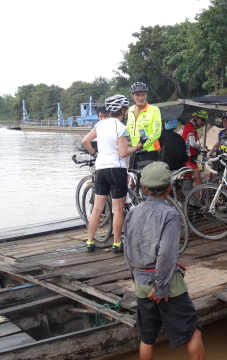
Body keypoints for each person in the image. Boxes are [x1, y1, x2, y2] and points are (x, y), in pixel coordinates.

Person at [123, 162, 205, 360]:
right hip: (166, 286)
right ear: (168, 188)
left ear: (143, 189)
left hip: (141, 283)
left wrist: (137, 278)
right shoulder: (170, 215)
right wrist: (160, 287)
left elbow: (127, 247)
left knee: (147, 337)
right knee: (192, 331)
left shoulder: (133, 212)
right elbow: (166, 255)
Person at [81, 95, 143, 253]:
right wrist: (135, 148)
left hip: (101, 169)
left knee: (97, 208)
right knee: (117, 209)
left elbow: (85, 141)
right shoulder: (121, 127)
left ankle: (89, 241)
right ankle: (116, 243)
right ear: (122, 110)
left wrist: (95, 154)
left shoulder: (100, 124)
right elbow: (123, 153)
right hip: (116, 170)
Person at [126, 81, 162, 169]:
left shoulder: (154, 110)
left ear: (146, 95)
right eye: (137, 95)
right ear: (133, 96)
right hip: (135, 152)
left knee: (147, 182)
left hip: (150, 152)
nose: (140, 98)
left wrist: (142, 145)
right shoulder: (130, 110)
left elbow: (157, 132)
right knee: (131, 179)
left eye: (143, 95)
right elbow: (127, 130)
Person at [182, 110, 207, 186]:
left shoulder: (190, 126)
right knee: (197, 177)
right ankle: (198, 197)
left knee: (189, 179)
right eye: (202, 120)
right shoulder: (190, 127)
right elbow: (192, 143)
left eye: (204, 121)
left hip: (189, 157)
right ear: (196, 118)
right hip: (188, 158)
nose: (203, 123)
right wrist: (201, 148)